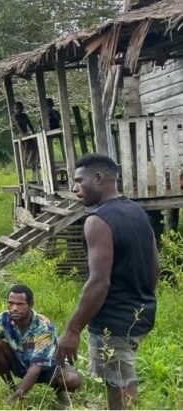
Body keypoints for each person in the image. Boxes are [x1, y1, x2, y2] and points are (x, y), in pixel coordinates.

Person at [56, 154, 160, 409]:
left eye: (79, 181)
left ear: (99, 178)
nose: (75, 189)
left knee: (119, 388)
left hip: (112, 321)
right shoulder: (137, 211)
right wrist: (138, 300)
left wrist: (72, 329)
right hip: (141, 312)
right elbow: (155, 267)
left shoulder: (97, 221)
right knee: (123, 378)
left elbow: (98, 283)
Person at [0, 284, 81, 405]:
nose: (14, 308)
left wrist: (15, 399)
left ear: (31, 305)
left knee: (72, 380)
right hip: (22, 364)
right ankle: (12, 388)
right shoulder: (4, 318)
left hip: (49, 369)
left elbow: (36, 368)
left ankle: (59, 392)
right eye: (11, 303)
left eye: (20, 304)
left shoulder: (43, 326)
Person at [13, 102, 39, 170]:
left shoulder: (24, 115)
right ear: (14, 109)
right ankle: (25, 163)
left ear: (22, 108)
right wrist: (23, 134)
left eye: (20, 108)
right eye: (16, 108)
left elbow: (29, 124)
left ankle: (31, 161)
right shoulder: (14, 117)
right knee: (26, 145)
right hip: (18, 134)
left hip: (25, 133)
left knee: (35, 145)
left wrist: (33, 131)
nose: (18, 110)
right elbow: (17, 127)